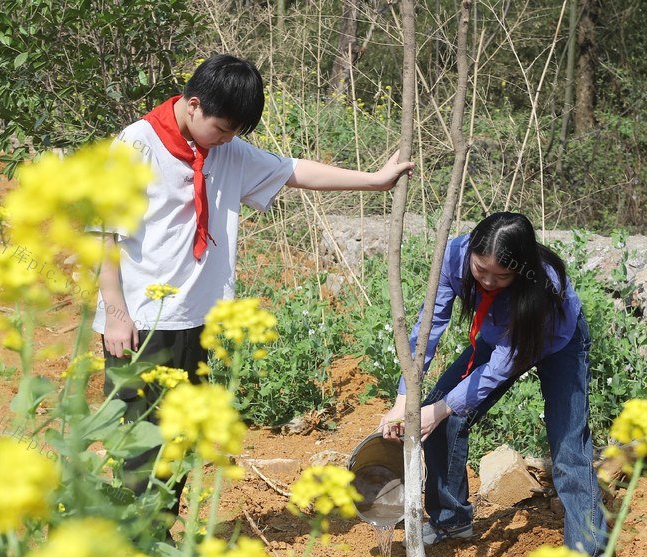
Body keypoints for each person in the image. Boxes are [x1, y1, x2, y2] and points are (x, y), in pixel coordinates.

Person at [96, 54, 413, 524]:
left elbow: (293, 171)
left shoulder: (225, 150)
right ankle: (133, 547)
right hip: (142, 322)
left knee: (181, 438)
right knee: (141, 440)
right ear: (195, 104)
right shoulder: (135, 147)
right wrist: (116, 312)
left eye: (235, 133)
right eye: (223, 129)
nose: (228, 140)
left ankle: (157, 541)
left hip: (195, 320)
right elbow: (106, 236)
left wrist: (373, 181)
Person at [378, 212, 613, 557]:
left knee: (569, 449)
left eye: (501, 277)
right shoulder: (454, 255)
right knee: (438, 414)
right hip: (498, 334)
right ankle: (451, 518)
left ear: (520, 270)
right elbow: (429, 327)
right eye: (481, 270)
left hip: (555, 342)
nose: (487, 281)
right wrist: (406, 399)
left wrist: (440, 409)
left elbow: (502, 365)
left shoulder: (543, 287)